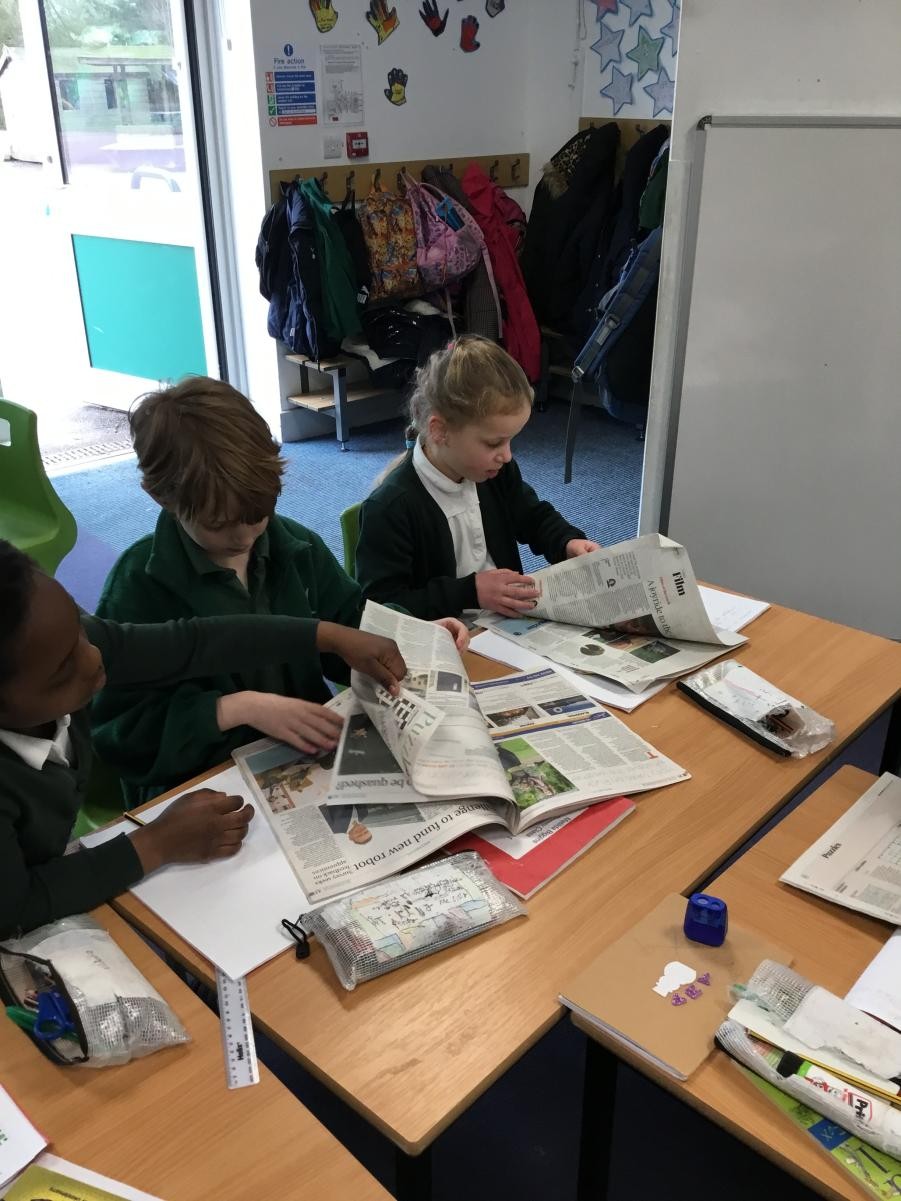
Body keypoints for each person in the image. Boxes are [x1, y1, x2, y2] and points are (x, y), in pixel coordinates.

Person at [0, 538, 406, 937]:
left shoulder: (54, 652)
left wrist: (326, 636)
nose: (94, 658)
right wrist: (156, 842)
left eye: (82, 630)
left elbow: (192, 643)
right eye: (63, 671)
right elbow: (14, 908)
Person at [91, 377, 467, 804]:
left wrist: (408, 634)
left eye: (259, 514)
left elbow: (351, 624)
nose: (244, 536)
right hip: (205, 787)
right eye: (218, 524)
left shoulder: (294, 544)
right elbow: (119, 734)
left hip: (305, 759)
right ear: (161, 497)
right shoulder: (139, 584)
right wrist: (233, 709)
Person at [355, 336, 599, 620]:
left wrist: (567, 542)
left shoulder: (495, 472)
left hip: (504, 624)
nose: (506, 455)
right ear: (440, 431)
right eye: (494, 443)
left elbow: (533, 516)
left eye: (511, 440)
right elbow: (381, 607)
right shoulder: (391, 507)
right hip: (445, 633)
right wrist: (470, 592)